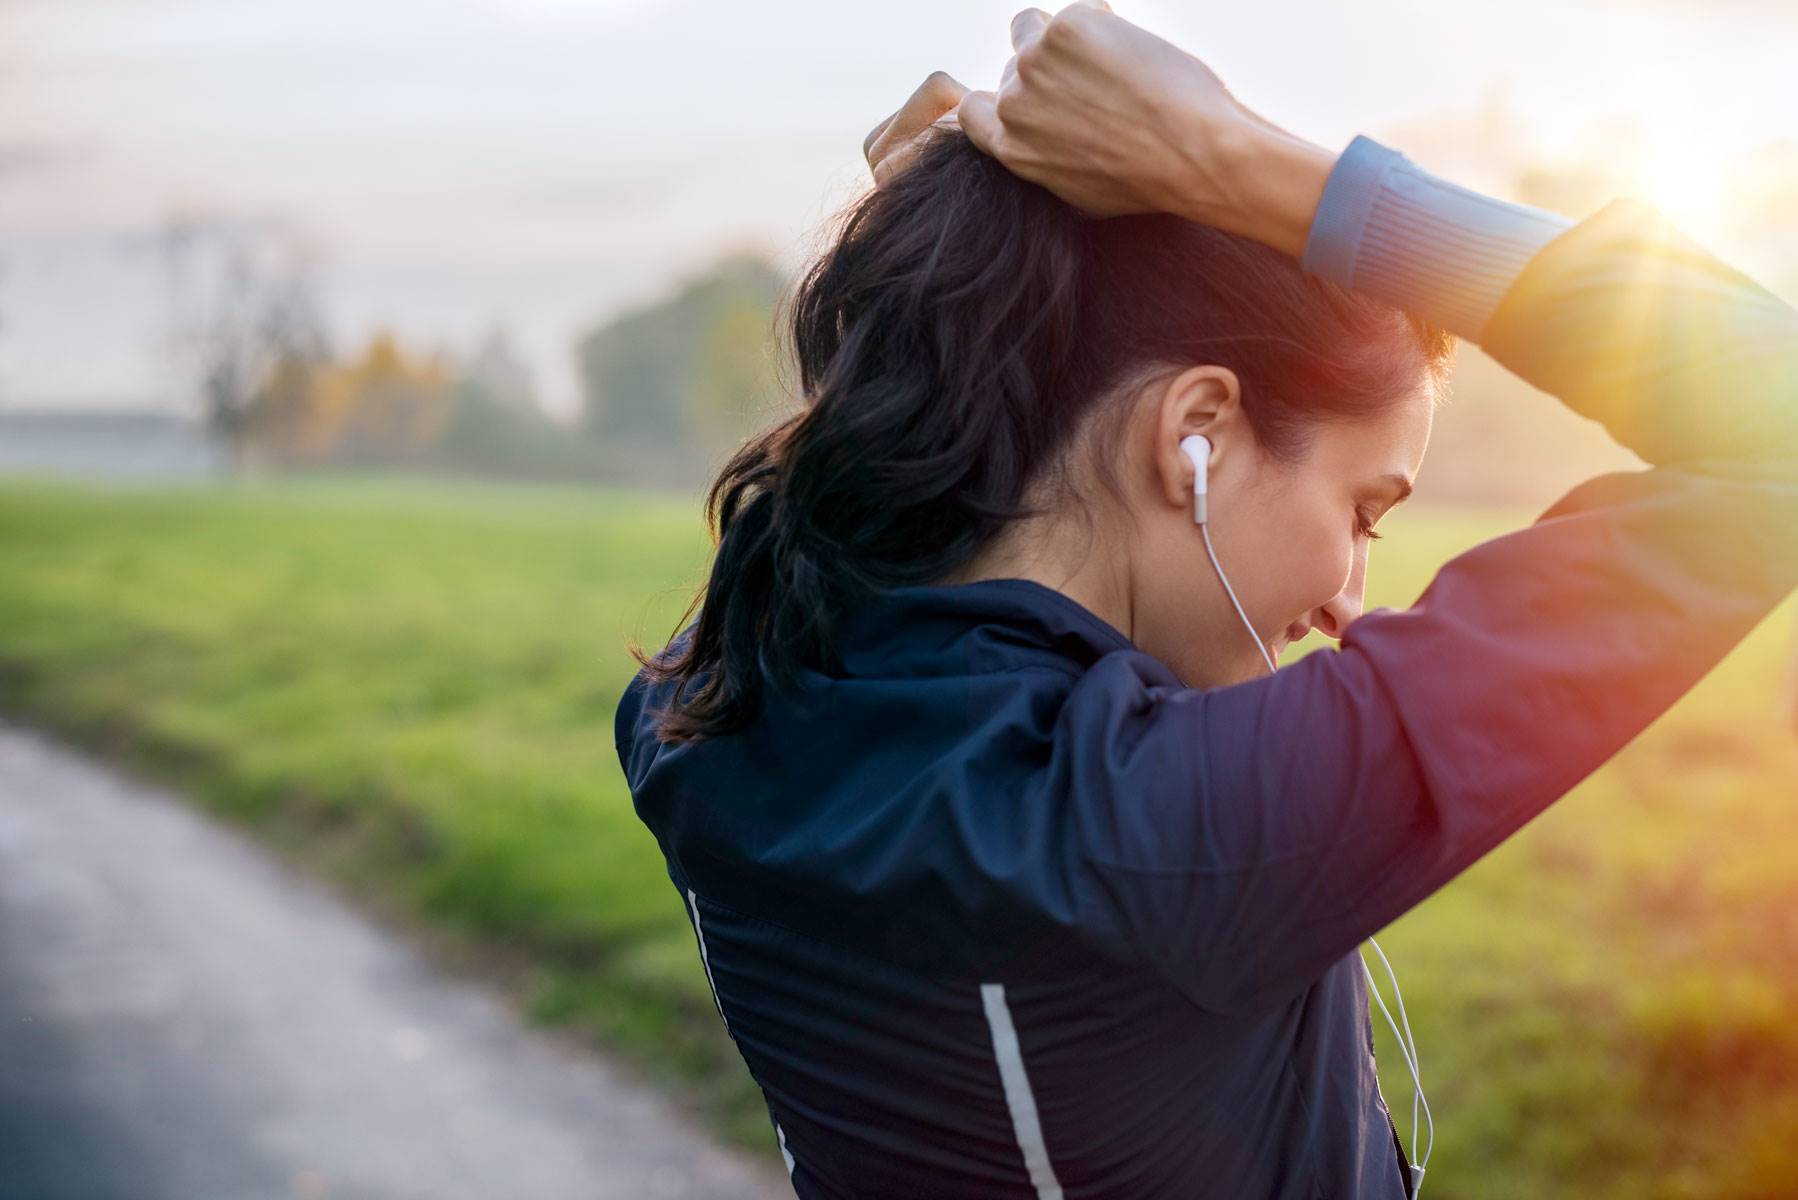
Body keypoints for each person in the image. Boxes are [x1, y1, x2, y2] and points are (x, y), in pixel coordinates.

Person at [614, 4, 1798, 1197]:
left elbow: (828, 517)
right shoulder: (1156, 832)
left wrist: (941, 282)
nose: (1350, 596)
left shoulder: (702, 711)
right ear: (1196, 432)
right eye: (1362, 510)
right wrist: (1237, 161)